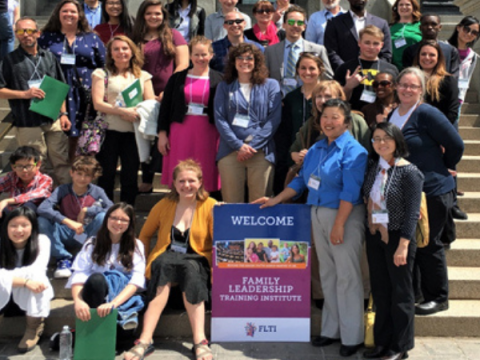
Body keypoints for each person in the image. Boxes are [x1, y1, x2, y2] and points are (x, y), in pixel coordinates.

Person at [254, 98, 368, 357]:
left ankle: (352, 336)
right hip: (316, 214)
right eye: (325, 117)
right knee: (327, 274)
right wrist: (276, 199)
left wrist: (339, 225)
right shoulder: (316, 148)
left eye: (335, 117)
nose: (329, 122)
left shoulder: (354, 151)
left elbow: (350, 193)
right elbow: (302, 182)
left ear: (347, 122)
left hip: (343, 217)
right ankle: (331, 330)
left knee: (347, 276)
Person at [389, 67, 464, 315]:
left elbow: (456, 144)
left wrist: (445, 166)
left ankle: (438, 296)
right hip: (405, 191)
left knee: (429, 243)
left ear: (421, 90)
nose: (408, 89)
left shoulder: (428, 113)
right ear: (396, 86)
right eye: (404, 85)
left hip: (431, 190)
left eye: (414, 86)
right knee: (412, 243)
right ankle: (417, 292)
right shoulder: (393, 114)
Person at [124, 159, 216, 360]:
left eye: (191, 180)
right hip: (166, 257)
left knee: (191, 268)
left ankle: (199, 340)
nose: (186, 185)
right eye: (181, 181)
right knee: (163, 264)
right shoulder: (164, 204)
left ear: (200, 182)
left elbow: (219, 242)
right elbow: (145, 235)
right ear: (174, 184)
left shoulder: (210, 206)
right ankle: (145, 340)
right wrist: (142, 264)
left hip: (197, 257)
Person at [362, 122, 424, 360]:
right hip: (376, 234)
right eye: (376, 138)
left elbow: (411, 212)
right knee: (380, 290)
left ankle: (400, 346)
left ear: (397, 141)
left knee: (401, 293)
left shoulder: (410, 171)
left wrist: (404, 245)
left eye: (386, 138)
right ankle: (382, 342)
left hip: (399, 236)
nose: (381, 143)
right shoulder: (372, 168)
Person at [0, 17, 71, 185]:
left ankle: (68, 200)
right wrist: (25, 94)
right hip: (27, 121)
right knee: (36, 164)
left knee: (61, 161)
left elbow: (60, 86)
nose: (26, 35)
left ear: (38, 33)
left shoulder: (49, 57)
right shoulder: (9, 60)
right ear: (16, 35)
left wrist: (64, 114)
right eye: (21, 31)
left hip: (53, 118)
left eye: (30, 30)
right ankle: (38, 200)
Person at [132, 0, 189, 194]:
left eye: (157, 13)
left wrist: (169, 91)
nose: (153, 17)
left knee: (163, 135)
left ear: (164, 16)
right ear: (143, 15)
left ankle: (165, 180)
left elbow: (183, 64)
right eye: (149, 13)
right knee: (143, 136)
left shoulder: (174, 35)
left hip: (168, 94)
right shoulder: (135, 37)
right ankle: (145, 178)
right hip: (141, 93)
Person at [38, 0, 106, 161]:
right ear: (57, 14)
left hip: (86, 91)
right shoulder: (46, 38)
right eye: (65, 11)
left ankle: (80, 169)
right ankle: (63, 171)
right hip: (56, 91)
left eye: (73, 11)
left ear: (80, 15)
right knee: (59, 133)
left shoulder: (92, 38)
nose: (69, 14)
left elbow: (104, 64)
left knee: (83, 131)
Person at [214, 42, 281, 203]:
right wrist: (238, 146)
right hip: (230, 152)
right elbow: (220, 118)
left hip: (261, 151)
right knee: (231, 203)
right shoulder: (224, 86)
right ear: (233, 61)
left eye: (249, 58)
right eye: (240, 58)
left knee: (260, 204)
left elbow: (274, 119)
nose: (245, 61)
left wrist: (253, 146)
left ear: (257, 61)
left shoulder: (271, 85)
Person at [92, 35, 155, 205]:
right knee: (106, 176)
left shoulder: (143, 76)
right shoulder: (101, 73)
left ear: (132, 52)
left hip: (133, 134)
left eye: (125, 48)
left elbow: (150, 104)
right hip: (109, 131)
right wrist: (121, 111)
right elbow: (97, 103)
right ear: (110, 53)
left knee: (130, 176)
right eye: (116, 49)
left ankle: (128, 216)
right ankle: (105, 214)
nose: (121, 52)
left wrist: (136, 112)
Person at [158, 36, 222, 194]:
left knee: (206, 168)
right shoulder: (177, 78)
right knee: (180, 168)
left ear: (211, 55)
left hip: (208, 131)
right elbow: (165, 108)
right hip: (181, 130)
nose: (201, 58)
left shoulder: (220, 79)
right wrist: (162, 134)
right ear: (190, 56)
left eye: (204, 54)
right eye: (197, 54)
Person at [67, 203, 146, 332]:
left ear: (130, 223)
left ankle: (86, 334)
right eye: (113, 218)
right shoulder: (92, 243)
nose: (118, 222)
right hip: (96, 296)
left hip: (122, 298)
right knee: (96, 280)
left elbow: (136, 280)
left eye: (124, 220)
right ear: (106, 219)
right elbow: (79, 274)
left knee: (123, 338)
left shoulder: (136, 245)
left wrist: (113, 304)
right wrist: (78, 301)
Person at [37, 156, 113, 279]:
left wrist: (88, 210)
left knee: (103, 217)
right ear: (71, 173)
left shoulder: (97, 191)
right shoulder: (62, 189)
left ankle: (86, 254)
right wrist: (66, 221)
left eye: (87, 175)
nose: (82, 178)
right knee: (41, 221)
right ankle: (63, 258)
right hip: (64, 231)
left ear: (93, 177)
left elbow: (112, 209)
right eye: (79, 174)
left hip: (86, 232)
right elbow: (42, 208)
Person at [0, 207, 54, 353]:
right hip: (5, 300)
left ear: (33, 226)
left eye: (24, 225)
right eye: (13, 225)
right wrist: (24, 281)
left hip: (30, 299)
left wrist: (5, 276)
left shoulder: (42, 241)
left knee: (38, 279)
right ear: (6, 227)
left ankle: (33, 327)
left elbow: (37, 269)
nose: (19, 230)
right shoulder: (1, 244)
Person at [274, 52, 325, 194]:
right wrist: (292, 156)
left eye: (312, 68)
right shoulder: (291, 98)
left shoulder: (327, 96)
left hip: (322, 159)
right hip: (296, 159)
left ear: (320, 70)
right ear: (297, 70)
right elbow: (284, 133)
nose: (307, 72)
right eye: (303, 68)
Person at [290, 81, 371, 165]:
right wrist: (301, 156)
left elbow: (369, 153)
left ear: (339, 98)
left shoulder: (356, 121)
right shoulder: (311, 123)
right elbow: (294, 151)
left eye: (328, 96)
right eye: (319, 96)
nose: (322, 101)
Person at [264, 5, 333, 97]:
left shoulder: (318, 50)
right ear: (284, 25)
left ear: (304, 26)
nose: (295, 25)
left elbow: (327, 78)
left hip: (309, 100)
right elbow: (264, 79)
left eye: (300, 22)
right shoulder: (270, 51)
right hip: (279, 102)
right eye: (291, 22)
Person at [334, 25, 399, 112]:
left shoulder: (391, 69)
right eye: (367, 43)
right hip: (353, 115)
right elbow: (334, 100)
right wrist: (348, 87)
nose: (371, 47)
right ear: (359, 43)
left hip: (382, 116)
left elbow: (397, 97)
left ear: (382, 45)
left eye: (375, 43)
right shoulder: (345, 68)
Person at [324, 0, 392, 71]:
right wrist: (346, 70)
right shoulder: (334, 23)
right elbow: (331, 52)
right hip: (345, 77)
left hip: (375, 76)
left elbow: (386, 53)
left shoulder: (381, 23)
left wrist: (375, 71)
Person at [0, 147, 52, 222]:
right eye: (20, 166)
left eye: (28, 166)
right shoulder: (12, 177)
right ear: (13, 167)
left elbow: (36, 194)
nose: (24, 170)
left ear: (38, 165)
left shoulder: (45, 179)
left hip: (37, 216)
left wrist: (7, 201)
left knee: (28, 206)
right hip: (12, 213)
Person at [413, 40, 459, 125]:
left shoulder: (448, 80)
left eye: (432, 55)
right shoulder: (410, 79)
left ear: (438, 58)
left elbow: (452, 111)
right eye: (423, 54)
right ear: (418, 57)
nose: (427, 57)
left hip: (439, 131)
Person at [447, 16, 480, 118]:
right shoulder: (444, 48)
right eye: (466, 29)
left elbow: (467, 78)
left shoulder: (473, 56)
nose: (469, 34)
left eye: (474, 33)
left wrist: (461, 98)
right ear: (458, 28)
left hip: (457, 100)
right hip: (441, 96)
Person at [390, 0, 422, 71]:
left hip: (415, 68)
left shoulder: (420, 25)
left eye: (407, 5)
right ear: (396, 8)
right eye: (401, 5)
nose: (404, 7)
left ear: (413, 7)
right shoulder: (390, 27)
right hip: (394, 68)